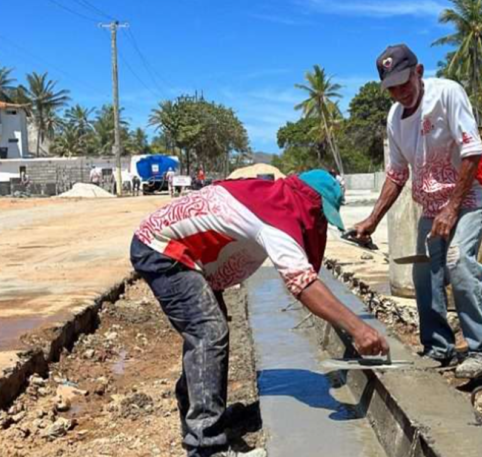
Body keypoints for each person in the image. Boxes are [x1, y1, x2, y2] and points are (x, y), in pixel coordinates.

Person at [130, 169, 388, 457]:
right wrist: (360, 330)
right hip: (163, 250)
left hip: (186, 255)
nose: (317, 223)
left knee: (209, 336)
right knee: (209, 332)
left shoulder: (268, 198)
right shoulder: (277, 217)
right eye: (319, 214)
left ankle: (200, 416)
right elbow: (302, 283)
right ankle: (205, 445)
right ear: (308, 202)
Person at [350, 44, 482, 380]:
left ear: (418, 72)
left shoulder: (447, 94)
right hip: (434, 207)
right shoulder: (394, 118)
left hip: (475, 196)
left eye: (404, 83)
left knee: (458, 262)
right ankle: (439, 348)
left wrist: (452, 208)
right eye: (391, 88)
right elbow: (396, 173)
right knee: (424, 274)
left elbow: (472, 152)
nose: (399, 93)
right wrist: (371, 220)